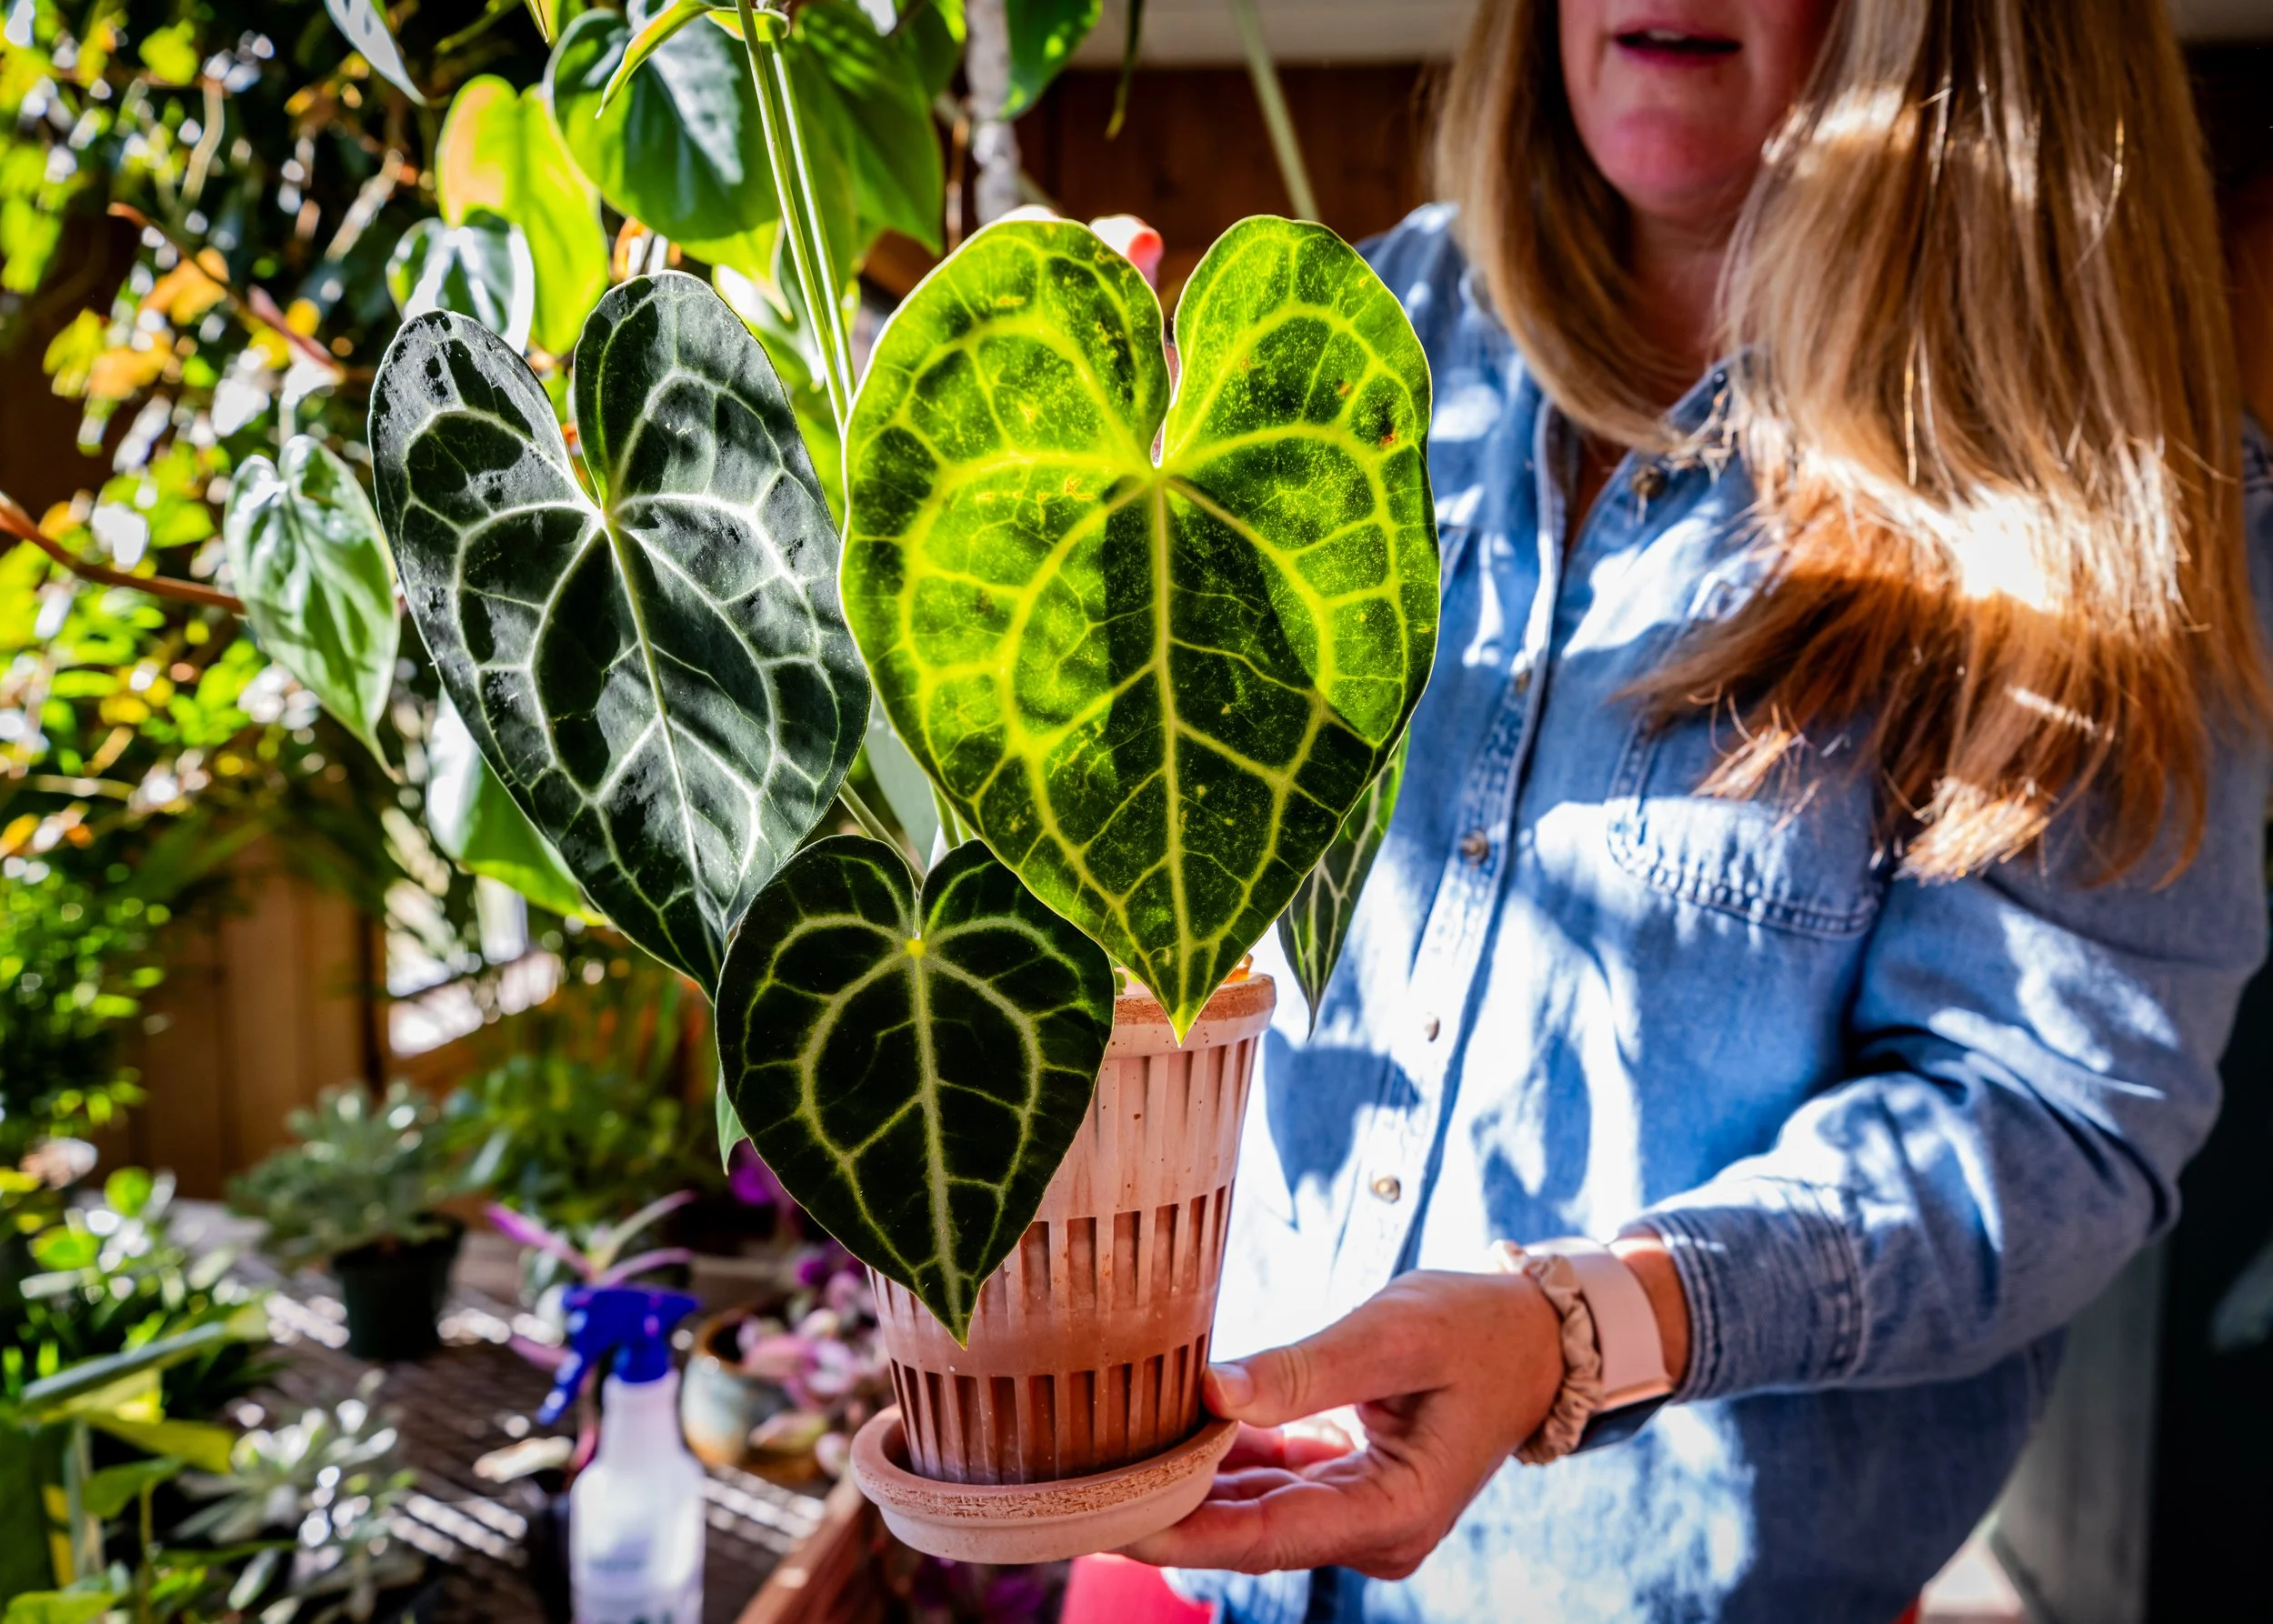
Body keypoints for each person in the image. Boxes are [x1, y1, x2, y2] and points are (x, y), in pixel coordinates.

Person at [1122, 2, 2273, 1619]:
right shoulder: (1341, 351)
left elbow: (2047, 1117)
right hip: (1203, 1557)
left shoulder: (2090, 501)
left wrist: (1578, 1324)